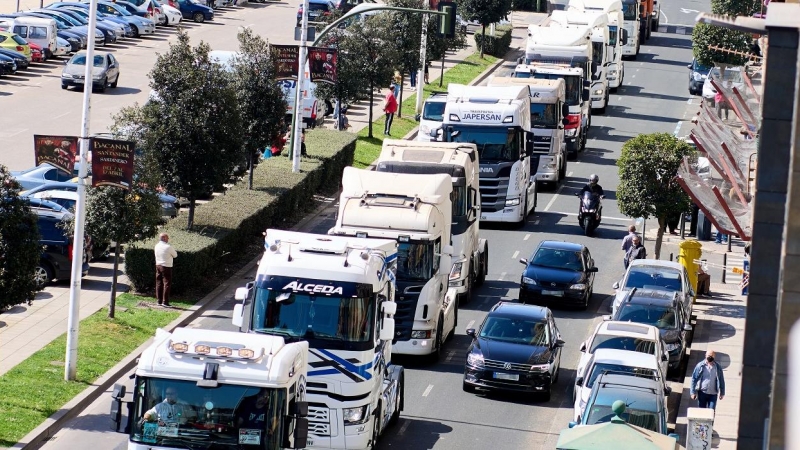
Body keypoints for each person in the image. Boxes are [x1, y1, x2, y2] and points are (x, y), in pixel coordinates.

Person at [154, 233, 177, 307]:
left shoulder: (156, 246)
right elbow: (175, 255)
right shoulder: (168, 247)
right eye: (167, 238)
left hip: (158, 265)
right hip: (166, 266)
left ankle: (159, 301)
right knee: (167, 283)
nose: (168, 239)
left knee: (159, 283)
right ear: (164, 238)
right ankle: (165, 302)